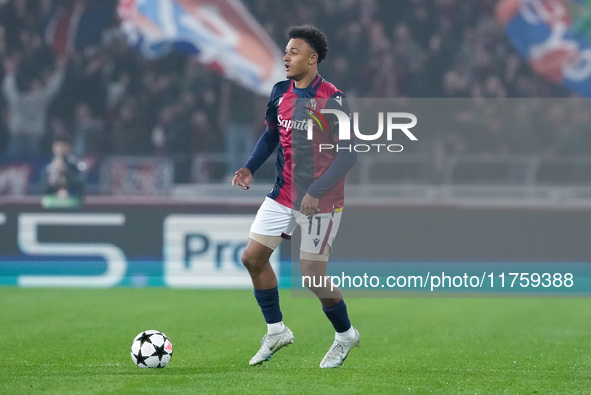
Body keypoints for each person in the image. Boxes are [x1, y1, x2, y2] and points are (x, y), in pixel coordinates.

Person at [232, 25, 359, 369]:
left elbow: (349, 155)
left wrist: (316, 192)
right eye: (286, 51)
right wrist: (249, 168)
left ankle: (346, 335)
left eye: (294, 52)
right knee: (252, 258)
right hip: (283, 193)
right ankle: (276, 331)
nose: (286, 57)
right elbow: (270, 136)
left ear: (313, 59)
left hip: (322, 199)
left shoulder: (333, 99)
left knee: (312, 276)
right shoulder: (279, 92)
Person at [43, 133, 85, 208]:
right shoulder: (49, 167)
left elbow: (81, 185)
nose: (60, 149)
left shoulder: (77, 165)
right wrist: (50, 182)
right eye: (57, 146)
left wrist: (66, 171)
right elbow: (42, 190)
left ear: (69, 148)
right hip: (52, 203)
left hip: (73, 202)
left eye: (63, 146)